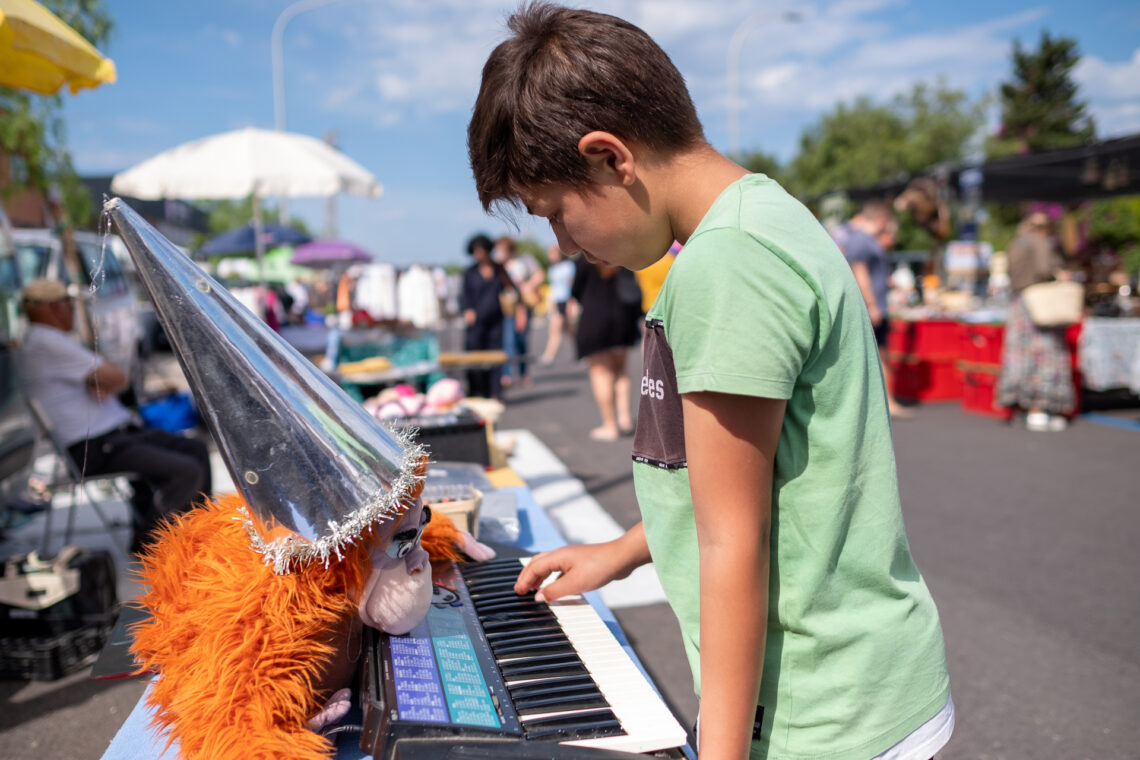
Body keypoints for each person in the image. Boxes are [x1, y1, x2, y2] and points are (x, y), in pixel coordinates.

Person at [467, 5, 952, 760]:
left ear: (609, 158)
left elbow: (735, 538)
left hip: (822, 712)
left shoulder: (726, 265)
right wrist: (625, 548)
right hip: (854, 684)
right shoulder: (755, 221)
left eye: (555, 214)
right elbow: (740, 489)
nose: (562, 244)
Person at [16, 278, 212, 553]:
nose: (72, 309)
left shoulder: (45, 341)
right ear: (52, 308)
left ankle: (196, 534)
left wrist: (99, 379)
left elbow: (111, 381)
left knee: (196, 449)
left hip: (112, 436)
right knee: (186, 471)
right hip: (94, 447)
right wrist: (101, 378)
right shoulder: (47, 341)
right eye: (68, 303)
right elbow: (118, 378)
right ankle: (155, 544)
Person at [996, 211, 1076, 431]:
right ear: (1045, 228)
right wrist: (1060, 275)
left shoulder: (1016, 243)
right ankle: (1039, 410)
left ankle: (1024, 408)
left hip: (1019, 305)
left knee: (1019, 356)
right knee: (1043, 356)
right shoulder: (1040, 241)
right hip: (1039, 305)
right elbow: (1044, 269)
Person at [834, 201, 913, 419]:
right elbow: (859, 271)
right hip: (872, 308)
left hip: (874, 306)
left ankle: (884, 402)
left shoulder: (865, 240)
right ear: (881, 220)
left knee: (879, 357)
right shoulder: (862, 239)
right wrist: (872, 304)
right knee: (880, 357)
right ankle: (889, 403)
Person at [571, 257, 641, 440]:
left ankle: (610, 425)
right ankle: (624, 418)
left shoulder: (585, 261)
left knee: (600, 372)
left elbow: (576, 291)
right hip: (622, 318)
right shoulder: (619, 254)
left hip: (595, 319)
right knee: (621, 371)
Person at [458, 233, 512, 399]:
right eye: (475, 250)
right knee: (474, 356)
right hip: (476, 322)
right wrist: (467, 310)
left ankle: (495, 392)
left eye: (480, 249)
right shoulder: (470, 272)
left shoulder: (499, 269)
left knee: (496, 357)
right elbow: (464, 295)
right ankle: (476, 392)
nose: (478, 253)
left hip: (496, 320)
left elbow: (511, 289)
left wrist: (519, 310)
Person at [496, 235, 545, 388]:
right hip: (508, 307)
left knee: (522, 340)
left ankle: (523, 372)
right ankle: (507, 373)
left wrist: (528, 285)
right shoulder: (499, 265)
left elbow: (539, 274)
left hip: (523, 305)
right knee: (508, 341)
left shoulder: (524, 261)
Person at [539, 243, 576, 364]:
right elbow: (553, 288)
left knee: (570, 331)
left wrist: (571, 301)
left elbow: (571, 284)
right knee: (555, 329)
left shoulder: (568, 266)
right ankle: (549, 355)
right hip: (557, 301)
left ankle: (579, 350)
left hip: (567, 300)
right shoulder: (552, 270)